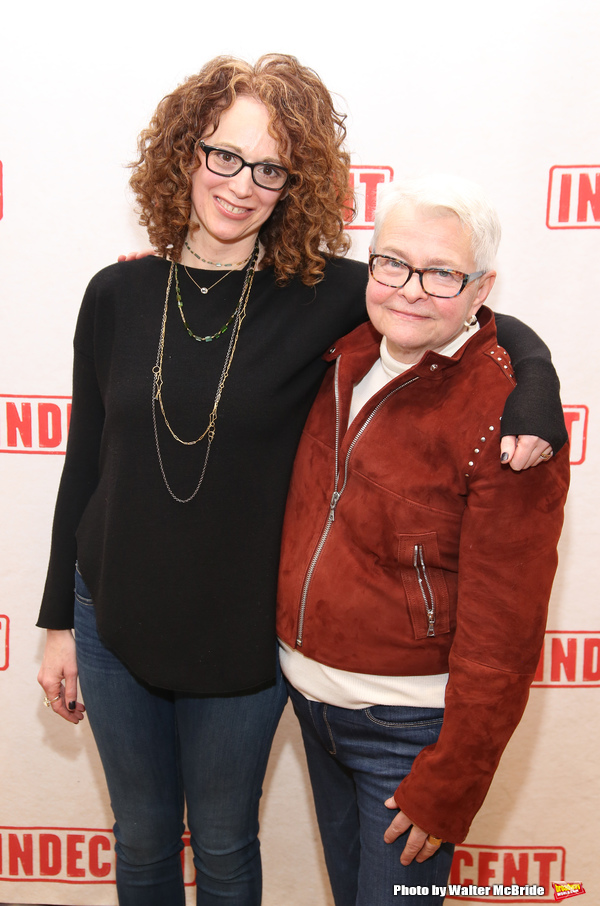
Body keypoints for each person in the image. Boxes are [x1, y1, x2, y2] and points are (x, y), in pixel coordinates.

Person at [36, 54, 566, 906]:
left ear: (295, 182)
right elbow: (84, 463)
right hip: (111, 621)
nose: (242, 185)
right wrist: (59, 621)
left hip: (241, 637)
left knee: (222, 843)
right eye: (224, 155)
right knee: (137, 842)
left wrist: (536, 386)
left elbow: (459, 303)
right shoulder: (114, 295)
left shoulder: (322, 292)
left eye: (270, 168)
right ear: (185, 154)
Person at [277, 174, 570, 906]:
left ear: (481, 289)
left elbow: (504, 637)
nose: (410, 288)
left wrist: (452, 780)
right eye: (393, 263)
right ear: (370, 264)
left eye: (442, 273)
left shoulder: (507, 422)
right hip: (311, 705)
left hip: (406, 735)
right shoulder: (341, 349)